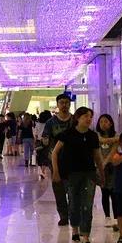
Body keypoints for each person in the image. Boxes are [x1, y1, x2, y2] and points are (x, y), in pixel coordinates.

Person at [52, 107, 103, 243]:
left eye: (90, 116)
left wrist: (101, 173)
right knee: (74, 203)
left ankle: (85, 237)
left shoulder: (92, 136)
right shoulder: (67, 134)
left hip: (89, 174)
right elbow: (55, 153)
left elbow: (97, 156)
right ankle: (75, 229)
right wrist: (56, 172)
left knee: (87, 205)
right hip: (72, 175)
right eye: (85, 116)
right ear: (78, 118)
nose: (88, 119)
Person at [42, 94, 74, 225]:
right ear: (57, 104)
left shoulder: (75, 120)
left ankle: (73, 214)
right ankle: (63, 216)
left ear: (70, 104)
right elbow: (45, 139)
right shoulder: (51, 122)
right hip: (56, 160)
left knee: (73, 189)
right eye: (62, 102)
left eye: (66, 102)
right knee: (59, 189)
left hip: (73, 160)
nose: (64, 105)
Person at [96, 114, 119, 231]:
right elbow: (99, 147)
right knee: (104, 192)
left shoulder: (116, 135)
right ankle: (107, 217)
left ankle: (116, 217)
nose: (103, 124)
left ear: (110, 123)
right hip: (101, 167)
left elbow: (113, 150)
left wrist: (106, 162)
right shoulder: (97, 135)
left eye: (106, 121)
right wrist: (102, 164)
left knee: (114, 193)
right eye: (101, 122)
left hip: (112, 167)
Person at [35, 110, 52, 179]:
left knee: (39, 156)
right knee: (46, 156)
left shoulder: (38, 124)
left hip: (39, 141)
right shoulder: (49, 124)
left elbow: (36, 134)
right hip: (47, 141)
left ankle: (40, 170)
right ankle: (43, 170)